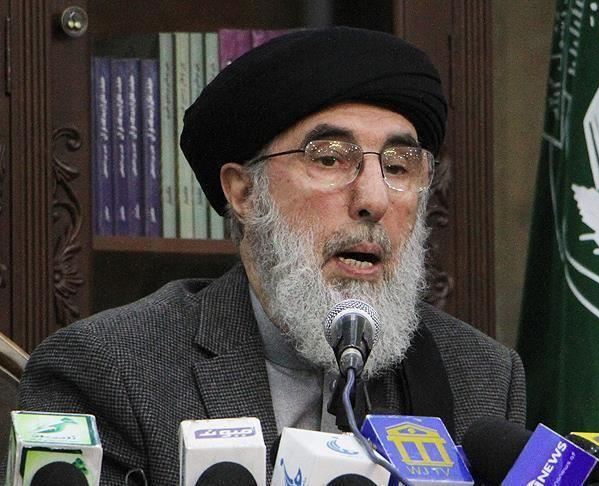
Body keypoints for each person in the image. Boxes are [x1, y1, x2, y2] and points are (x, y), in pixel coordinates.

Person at [14, 27, 525, 484]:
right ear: (244, 193)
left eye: (398, 166)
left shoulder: (481, 375)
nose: (374, 198)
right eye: (330, 159)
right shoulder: (112, 368)